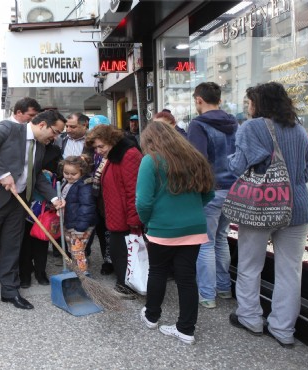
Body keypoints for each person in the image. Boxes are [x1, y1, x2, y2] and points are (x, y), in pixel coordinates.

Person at [228, 82, 308, 348]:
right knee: (290, 271)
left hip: (260, 207)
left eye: (250, 102)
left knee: (250, 266)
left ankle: (251, 318)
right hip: (297, 207)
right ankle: (283, 329)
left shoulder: (252, 128)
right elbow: (306, 172)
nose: (248, 107)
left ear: (259, 104)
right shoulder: (299, 130)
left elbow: (238, 166)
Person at [0, 109, 66, 317]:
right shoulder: (8, 128)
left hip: (18, 203)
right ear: (42, 125)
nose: (55, 137)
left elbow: (35, 175)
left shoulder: (40, 145)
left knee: (12, 248)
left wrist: (54, 198)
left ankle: (10, 291)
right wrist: (2, 174)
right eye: (55, 132)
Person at [136, 120, 215, 345]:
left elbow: (143, 200)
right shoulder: (195, 158)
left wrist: (148, 221)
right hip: (194, 228)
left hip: (162, 228)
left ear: (148, 141)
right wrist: (191, 210)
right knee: (187, 278)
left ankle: (151, 316)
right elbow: (209, 193)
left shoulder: (150, 161)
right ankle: (186, 329)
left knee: (158, 271)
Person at [187, 82, 239, 309]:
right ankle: (225, 288)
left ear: (199, 99)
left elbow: (196, 161)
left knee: (205, 242)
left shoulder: (198, 125)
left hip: (210, 190)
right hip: (234, 189)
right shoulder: (235, 123)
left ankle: (207, 295)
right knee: (221, 238)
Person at [86, 124, 143, 296]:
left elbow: (134, 191)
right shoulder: (114, 155)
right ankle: (124, 284)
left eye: (100, 146)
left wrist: (134, 220)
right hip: (117, 215)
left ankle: (127, 287)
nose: (98, 151)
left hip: (126, 218)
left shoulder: (129, 155)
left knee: (125, 253)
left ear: (112, 141)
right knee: (119, 252)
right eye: (95, 147)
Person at [19, 142, 61, 288]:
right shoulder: (24, 146)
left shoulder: (54, 149)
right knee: (24, 243)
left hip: (44, 207)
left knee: (42, 242)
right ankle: (24, 273)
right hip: (24, 206)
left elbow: (61, 171)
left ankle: (40, 271)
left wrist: (53, 174)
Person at [86, 115, 113, 275]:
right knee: (103, 231)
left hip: (111, 197)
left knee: (113, 232)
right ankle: (107, 261)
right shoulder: (93, 150)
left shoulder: (115, 150)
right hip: (98, 197)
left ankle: (116, 262)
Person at [60, 156, 95, 275]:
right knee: (72, 250)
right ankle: (75, 272)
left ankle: (83, 277)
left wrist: (80, 228)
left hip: (80, 225)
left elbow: (87, 207)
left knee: (78, 251)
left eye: (73, 174)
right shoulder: (67, 182)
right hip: (70, 222)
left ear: (82, 172)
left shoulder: (84, 185)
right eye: (66, 173)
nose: (69, 176)